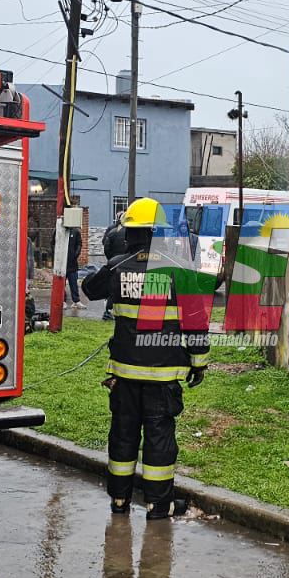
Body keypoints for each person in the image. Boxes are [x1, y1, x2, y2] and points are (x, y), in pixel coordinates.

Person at [81, 197, 209, 518]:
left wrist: (114, 263)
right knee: (159, 439)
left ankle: (120, 501)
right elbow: (195, 321)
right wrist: (199, 362)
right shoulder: (179, 269)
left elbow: (89, 290)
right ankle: (157, 505)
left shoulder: (117, 266)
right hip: (164, 377)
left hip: (124, 378)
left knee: (122, 437)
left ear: (129, 233)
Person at [65, 209, 83, 309]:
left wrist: (75, 254)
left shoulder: (75, 231)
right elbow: (53, 243)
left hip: (72, 263)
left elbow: (79, 244)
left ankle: (76, 301)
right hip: (62, 263)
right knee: (61, 284)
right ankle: (62, 301)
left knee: (74, 283)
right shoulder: (59, 230)